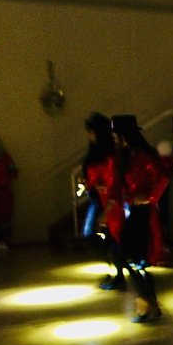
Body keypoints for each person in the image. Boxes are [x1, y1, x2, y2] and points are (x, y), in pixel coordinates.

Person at [109, 114, 170, 323]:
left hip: (143, 214)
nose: (115, 139)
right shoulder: (126, 157)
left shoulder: (143, 156)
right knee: (129, 258)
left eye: (116, 135)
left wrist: (149, 198)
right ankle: (148, 303)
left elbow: (163, 177)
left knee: (134, 259)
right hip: (133, 212)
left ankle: (147, 304)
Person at [78, 112, 123, 289]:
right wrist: (85, 184)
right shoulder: (93, 155)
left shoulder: (110, 157)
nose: (88, 135)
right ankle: (113, 270)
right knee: (91, 235)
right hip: (97, 200)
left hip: (110, 202)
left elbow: (113, 182)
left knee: (113, 238)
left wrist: (108, 210)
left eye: (91, 131)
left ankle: (118, 274)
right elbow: (91, 177)